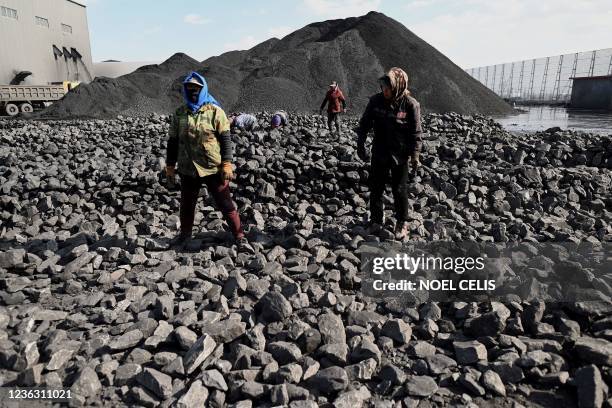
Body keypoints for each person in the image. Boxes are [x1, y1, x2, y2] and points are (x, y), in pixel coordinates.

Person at [165, 71, 245, 246]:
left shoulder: (215, 112)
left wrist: (227, 163)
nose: (193, 91)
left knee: (225, 203)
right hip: (188, 168)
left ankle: (239, 236)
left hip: (213, 167)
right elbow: (173, 141)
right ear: (185, 90)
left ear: (203, 89)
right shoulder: (179, 114)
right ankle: (185, 235)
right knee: (187, 204)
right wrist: (170, 166)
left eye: (196, 88)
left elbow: (225, 139)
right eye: (189, 88)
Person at [355, 67, 423, 240]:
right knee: (376, 188)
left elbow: (416, 133)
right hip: (379, 151)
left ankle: (402, 221)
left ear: (398, 86)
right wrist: (360, 145)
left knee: (399, 189)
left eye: (388, 88)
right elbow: (364, 124)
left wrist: (415, 155)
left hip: (400, 155)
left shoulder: (410, 105)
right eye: (383, 88)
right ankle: (376, 220)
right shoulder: (376, 101)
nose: (384, 91)